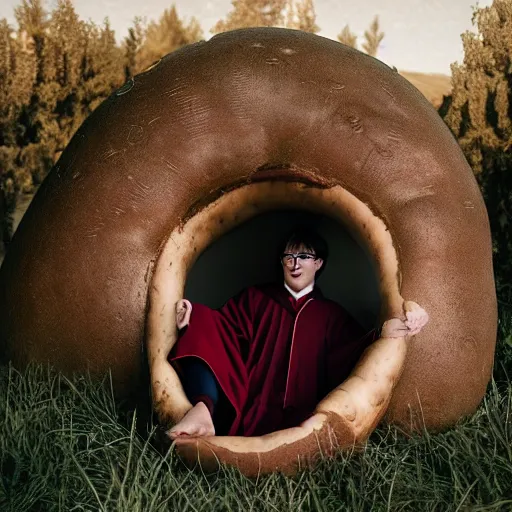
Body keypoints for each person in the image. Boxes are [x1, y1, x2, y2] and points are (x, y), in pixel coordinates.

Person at [167, 227, 428, 439]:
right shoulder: (255, 299)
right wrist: (195, 316)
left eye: (304, 257)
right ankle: (203, 411)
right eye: (288, 257)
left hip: (301, 415)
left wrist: (383, 332)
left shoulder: (330, 315)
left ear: (318, 263)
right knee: (202, 322)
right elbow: (223, 332)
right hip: (250, 407)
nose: (295, 264)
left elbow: (352, 352)